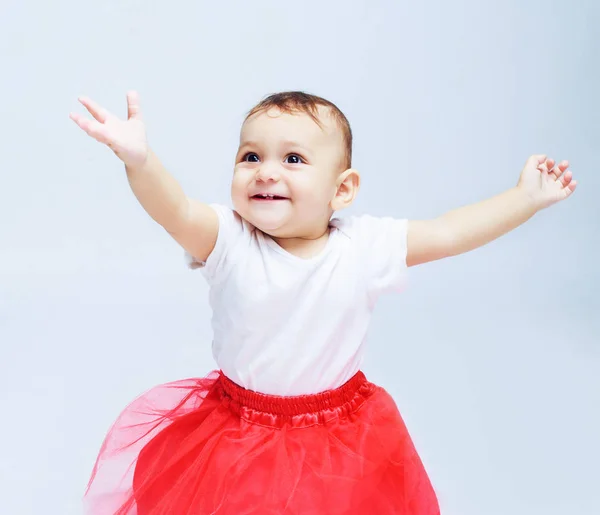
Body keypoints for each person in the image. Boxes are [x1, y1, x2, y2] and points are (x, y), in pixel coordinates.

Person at [70, 90, 576, 514]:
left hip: (340, 435)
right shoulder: (229, 240)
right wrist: (140, 160)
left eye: (293, 159)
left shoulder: (364, 246)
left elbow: (448, 233)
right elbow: (174, 209)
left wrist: (524, 198)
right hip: (238, 429)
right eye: (251, 156)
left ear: (343, 189)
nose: (266, 172)